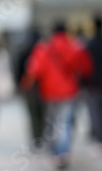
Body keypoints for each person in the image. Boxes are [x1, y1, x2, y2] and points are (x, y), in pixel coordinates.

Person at [23, 23, 93, 169]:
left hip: (49, 92)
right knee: (65, 122)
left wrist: (26, 85)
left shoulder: (43, 48)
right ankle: (62, 153)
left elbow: (35, 70)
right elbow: (86, 67)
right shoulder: (74, 46)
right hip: (69, 92)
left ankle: (55, 151)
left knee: (52, 122)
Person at [85, 17, 102, 146]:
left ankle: (98, 135)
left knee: (95, 111)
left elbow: (85, 66)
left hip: (93, 84)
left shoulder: (89, 45)